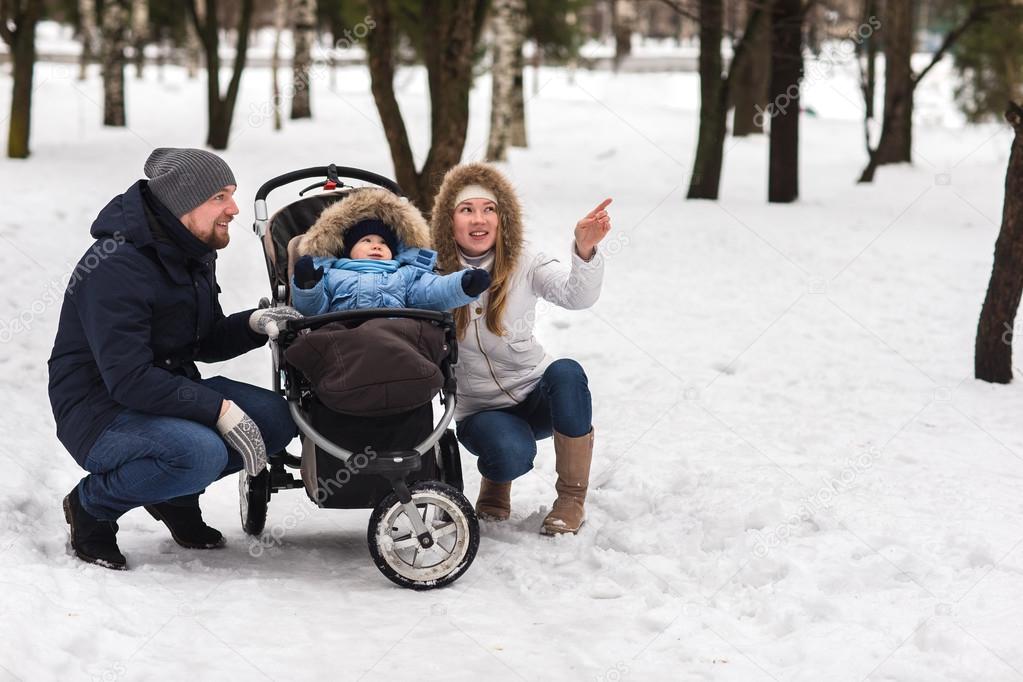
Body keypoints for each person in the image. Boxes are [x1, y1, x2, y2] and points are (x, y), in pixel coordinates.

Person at [48, 148, 302, 570]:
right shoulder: (114, 266)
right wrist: (218, 409)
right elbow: (128, 379)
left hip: (162, 395)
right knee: (198, 452)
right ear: (183, 202)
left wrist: (255, 323)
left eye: (233, 195)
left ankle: (174, 497)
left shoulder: (191, 250)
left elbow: (202, 340)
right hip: (100, 413)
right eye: (220, 197)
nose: (234, 209)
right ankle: (91, 506)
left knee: (275, 418)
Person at [429, 163, 612, 534]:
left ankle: (571, 500)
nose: (479, 219)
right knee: (512, 453)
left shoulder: (525, 262)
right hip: (481, 410)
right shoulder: (431, 273)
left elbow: (576, 296)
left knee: (567, 372)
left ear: (503, 217)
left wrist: (585, 249)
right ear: (450, 220)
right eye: (467, 210)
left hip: (535, 393)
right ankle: (497, 482)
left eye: (489, 209)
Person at [290, 187, 490, 314]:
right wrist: (308, 286)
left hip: (395, 342)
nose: (376, 245)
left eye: (383, 243)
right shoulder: (331, 275)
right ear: (346, 251)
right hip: (341, 342)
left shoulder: (405, 275)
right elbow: (312, 310)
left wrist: (462, 285)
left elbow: (432, 293)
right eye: (366, 240)